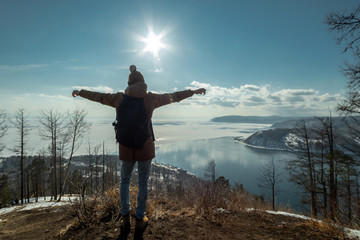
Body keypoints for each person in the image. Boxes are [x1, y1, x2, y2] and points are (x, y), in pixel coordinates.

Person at [72, 65, 206, 234]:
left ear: (129, 82)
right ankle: (140, 219)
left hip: (126, 147)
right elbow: (174, 96)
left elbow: (98, 97)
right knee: (143, 181)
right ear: (143, 82)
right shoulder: (151, 99)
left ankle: (125, 218)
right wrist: (193, 91)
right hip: (145, 146)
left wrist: (81, 92)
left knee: (124, 181)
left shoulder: (119, 98)